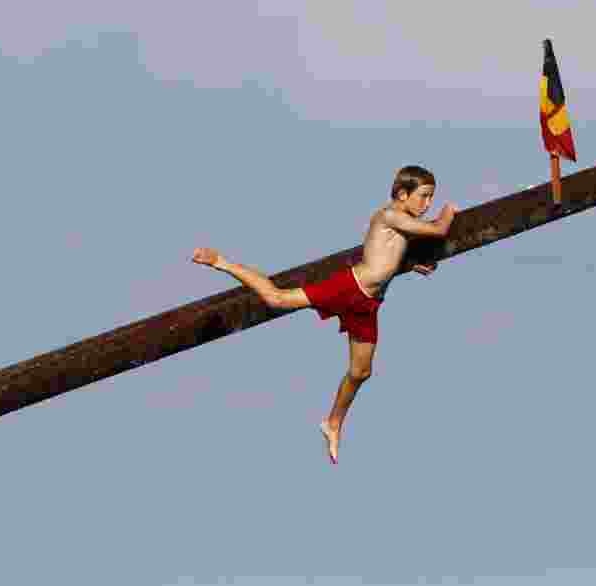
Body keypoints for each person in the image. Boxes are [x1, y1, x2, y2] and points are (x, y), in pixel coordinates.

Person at [191, 165, 458, 464]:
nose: (428, 204)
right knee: (276, 298)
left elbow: (391, 253)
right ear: (401, 194)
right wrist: (449, 211)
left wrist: (410, 264)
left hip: (369, 302)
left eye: (433, 198)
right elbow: (439, 229)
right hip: (349, 287)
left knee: (361, 372)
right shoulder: (389, 215)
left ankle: (332, 423)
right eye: (424, 196)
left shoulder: (405, 223)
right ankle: (221, 261)